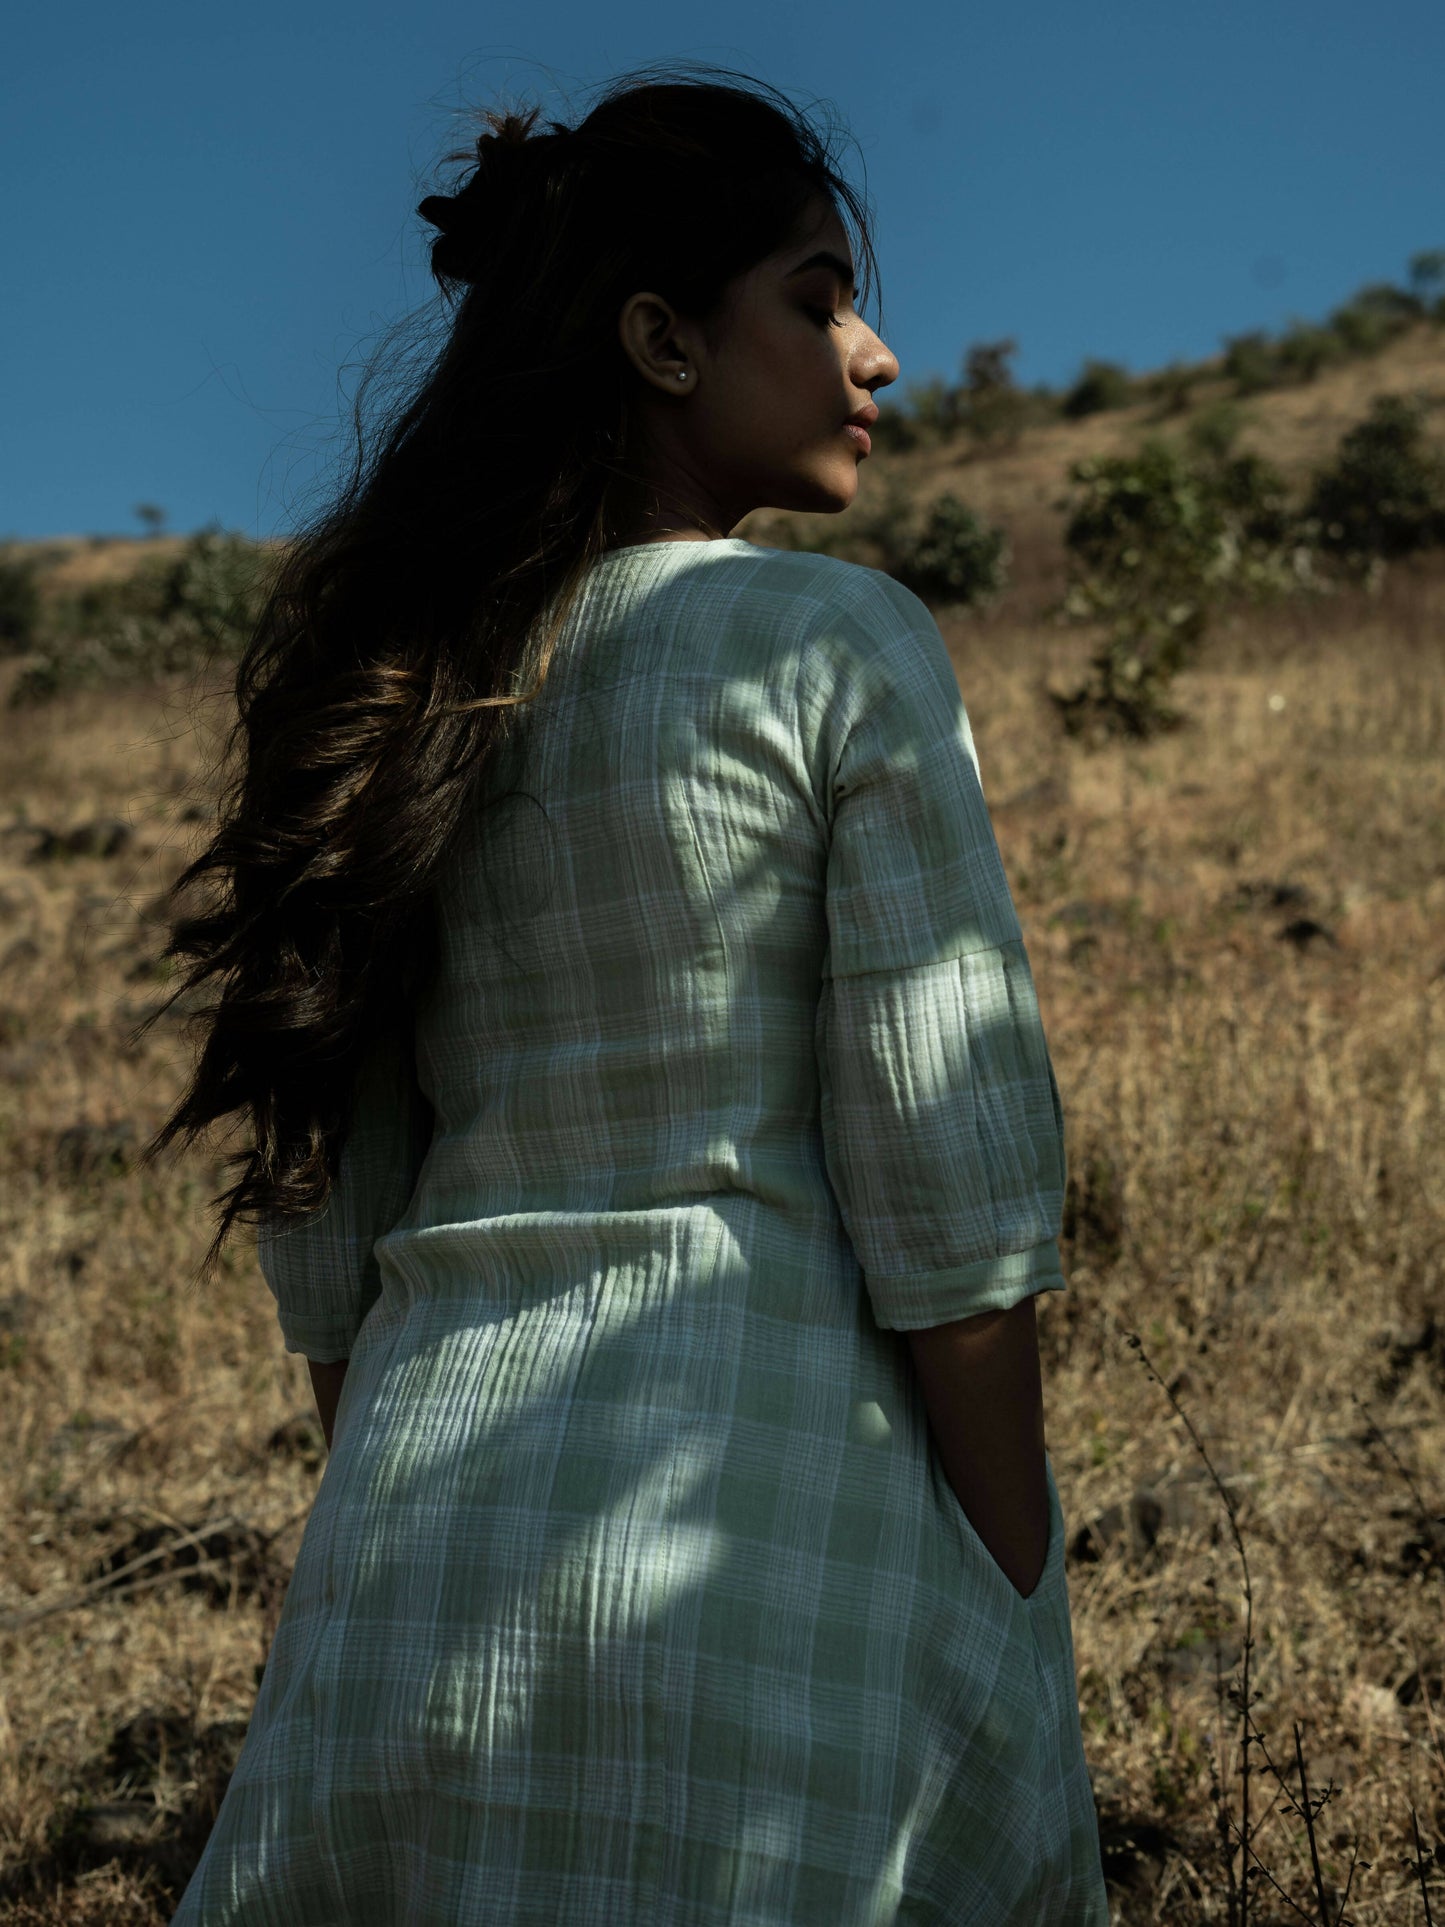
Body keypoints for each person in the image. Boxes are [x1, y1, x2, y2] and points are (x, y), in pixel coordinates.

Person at [158, 62, 1109, 1926]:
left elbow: (329, 1237)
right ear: (662, 340)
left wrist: (404, 1522)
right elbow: (950, 1194)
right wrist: (1017, 1581)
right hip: (763, 1533)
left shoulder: (394, 696)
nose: (876, 356)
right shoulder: (833, 642)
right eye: (818, 300)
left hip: (411, 1564)